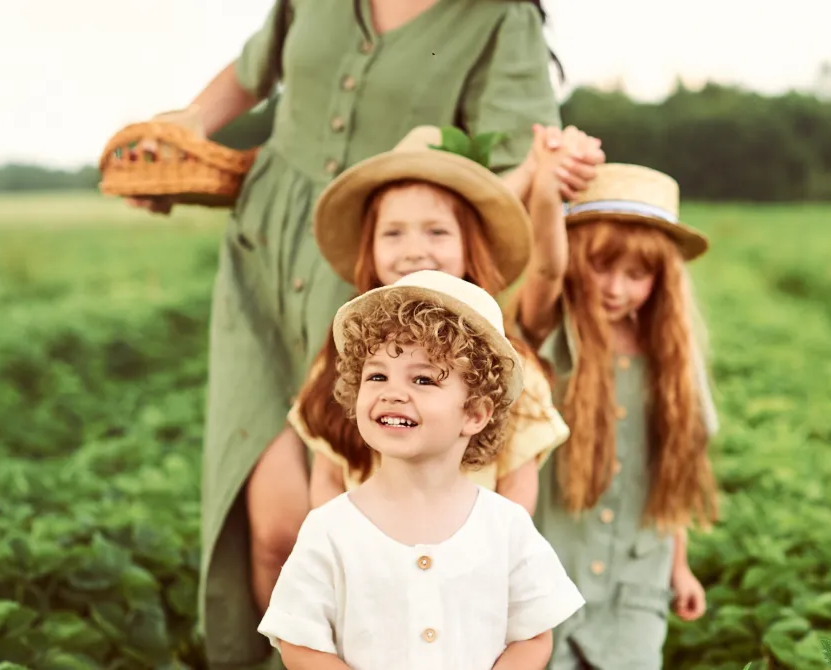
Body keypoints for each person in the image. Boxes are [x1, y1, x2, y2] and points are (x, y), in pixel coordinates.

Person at [119, 1, 605, 667]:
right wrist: (185, 129)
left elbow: (514, 170)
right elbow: (254, 68)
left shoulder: (498, 15)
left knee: (326, 522)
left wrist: (551, 176)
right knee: (273, 524)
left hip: (377, 291)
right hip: (269, 254)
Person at [257, 269, 586, 670]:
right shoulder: (331, 529)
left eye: (424, 379)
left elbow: (533, 635)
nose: (393, 392)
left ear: (475, 413)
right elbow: (300, 641)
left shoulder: (505, 526)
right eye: (376, 375)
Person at [286, 125, 601, 514]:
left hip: (466, 567)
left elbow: (516, 492)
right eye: (393, 233)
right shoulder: (346, 355)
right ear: (369, 248)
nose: (415, 250)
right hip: (367, 566)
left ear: (470, 248)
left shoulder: (504, 364)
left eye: (437, 232)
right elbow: (329, 480)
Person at [512, 145, 721, 669]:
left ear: (662, 281)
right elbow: (542, 269)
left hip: (637, 585)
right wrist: (545, 190)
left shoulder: (671, 364)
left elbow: (668, 476)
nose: (615, 288)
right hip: (554, 575)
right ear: (574, 257)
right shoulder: (554, 338)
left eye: (637, 275)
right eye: (602, 266)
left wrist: (679, 568)